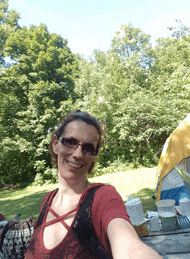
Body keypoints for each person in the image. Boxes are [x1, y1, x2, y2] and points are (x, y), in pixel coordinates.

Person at [25, 110, 162, 259]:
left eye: (88, 148)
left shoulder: (103, 197)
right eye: (70, 142)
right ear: (55, 144)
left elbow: (128, 244)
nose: (78, 154)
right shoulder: (48, 200)